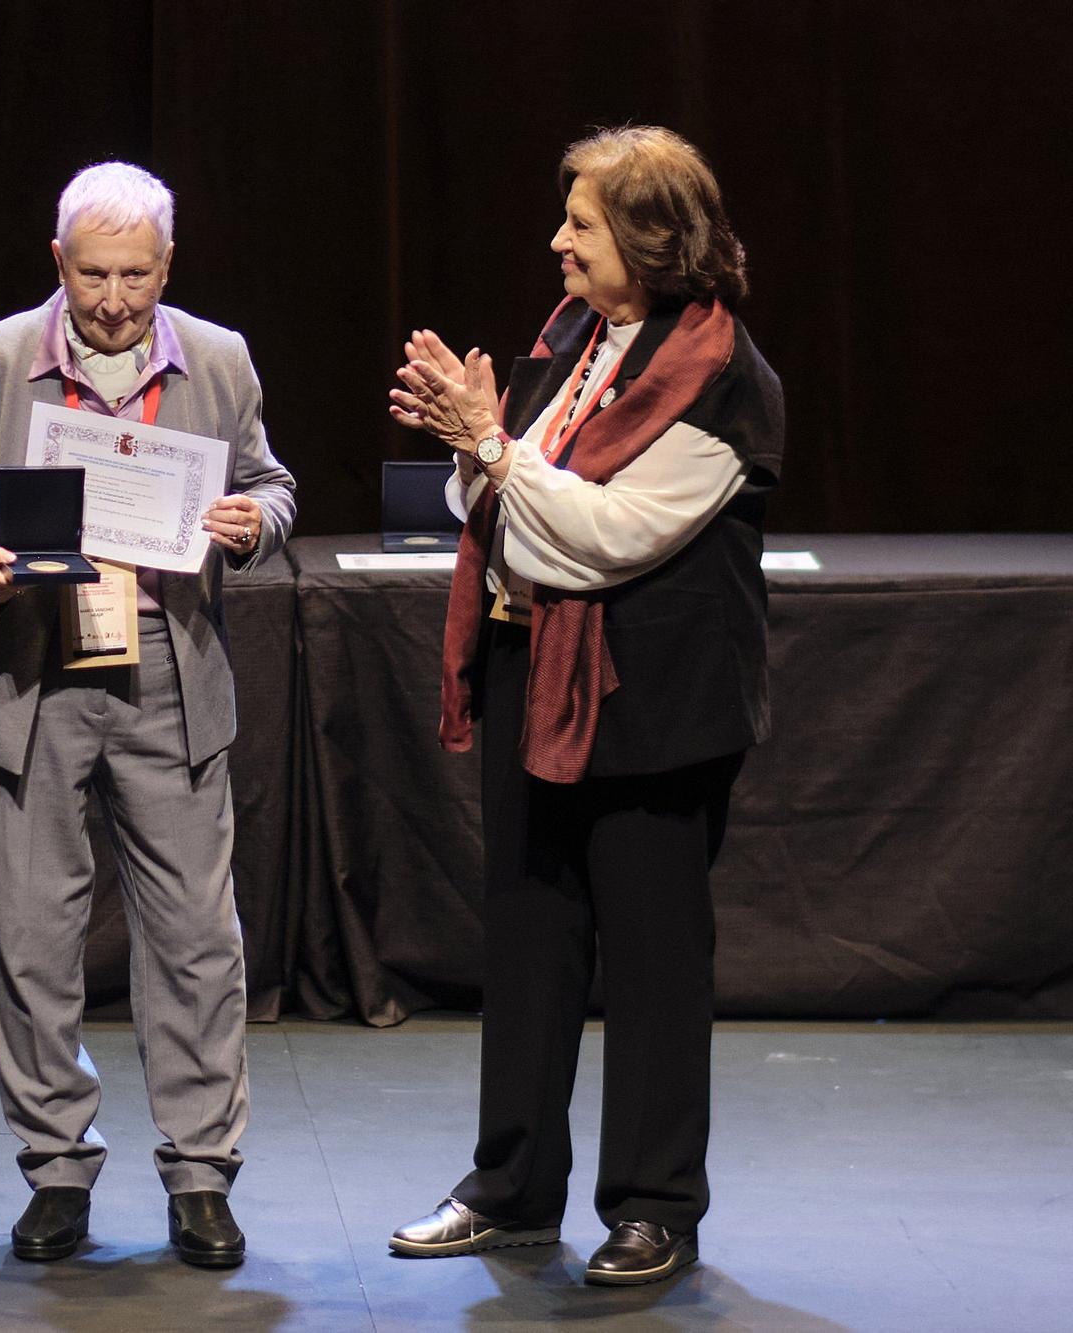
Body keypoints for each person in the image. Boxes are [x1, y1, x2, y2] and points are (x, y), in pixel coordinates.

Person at [384, 126, 783, 1286]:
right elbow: (495, 498)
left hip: (652, 696)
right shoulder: (567, 338)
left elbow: (606, 536)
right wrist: (474, 445)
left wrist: (489, 446)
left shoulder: (720, 377)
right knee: (527, 933)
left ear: (650, 239)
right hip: (533, 669)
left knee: (652, 957)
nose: (556, 242)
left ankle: (654, 1205)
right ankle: (510, 1187)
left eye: (581, 225)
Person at [0, 161, 296, 1268]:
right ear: (57, 262)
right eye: (92, 275)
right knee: (30, 937)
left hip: (166, 669)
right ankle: (56, 1165)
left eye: (136, 275)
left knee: (196, 940)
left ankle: (200, 1171)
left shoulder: (216, 358)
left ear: (167, 265)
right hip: (24, 676)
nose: (114, 300)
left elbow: (271, 483)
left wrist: (251, 523)